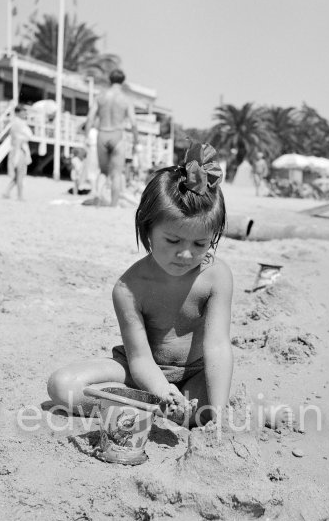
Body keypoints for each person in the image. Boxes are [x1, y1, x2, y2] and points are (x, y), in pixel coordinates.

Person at [47, 141, 232, 427]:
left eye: (200, 244)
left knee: (214, 402)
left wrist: (219, 416)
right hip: (139, 371)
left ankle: (143, 408)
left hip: (193, 374)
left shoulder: (215, 276)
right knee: (62, 386)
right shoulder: (129, 287)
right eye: (173, 241)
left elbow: (217, 347)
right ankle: (157, 407)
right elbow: (140, 358)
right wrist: (161, 392)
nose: (186, 254)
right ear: (147, 230)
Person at [85, 69, 138, 207]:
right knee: (116, 174)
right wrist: (136, 142)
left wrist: (86, 136)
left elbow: (90, 118)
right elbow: (133, 123)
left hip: (102, 134)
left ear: (110, 79)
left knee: (103, 172)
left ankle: (97, 197)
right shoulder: (126, 99)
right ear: (123, 81)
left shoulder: (100, 96)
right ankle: (113, 206)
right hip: (117, 135)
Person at [4, 104, 33, 201]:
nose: (25, 113)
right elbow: (17, 139)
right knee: (20, 175)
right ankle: (20, 196)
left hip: (19, 149)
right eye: (23, 111)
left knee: (18, 175)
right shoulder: (17, 123)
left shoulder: (19, 122)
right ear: (17, 113)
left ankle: (7, 192)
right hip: (19, 150)